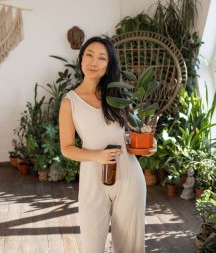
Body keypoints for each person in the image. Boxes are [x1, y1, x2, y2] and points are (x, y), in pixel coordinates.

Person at [59, 36, 155, 253]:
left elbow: (133, 133)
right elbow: (67, 148)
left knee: (131, 247)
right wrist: (97, 156)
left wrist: (147, 144)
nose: (94, 62)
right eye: (89, 55)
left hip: (129, 176)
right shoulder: (69, 102)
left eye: (102, 58)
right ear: (81, 59)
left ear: (109, 64)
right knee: (92, 247)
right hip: (93, 180)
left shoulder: (118, 96)